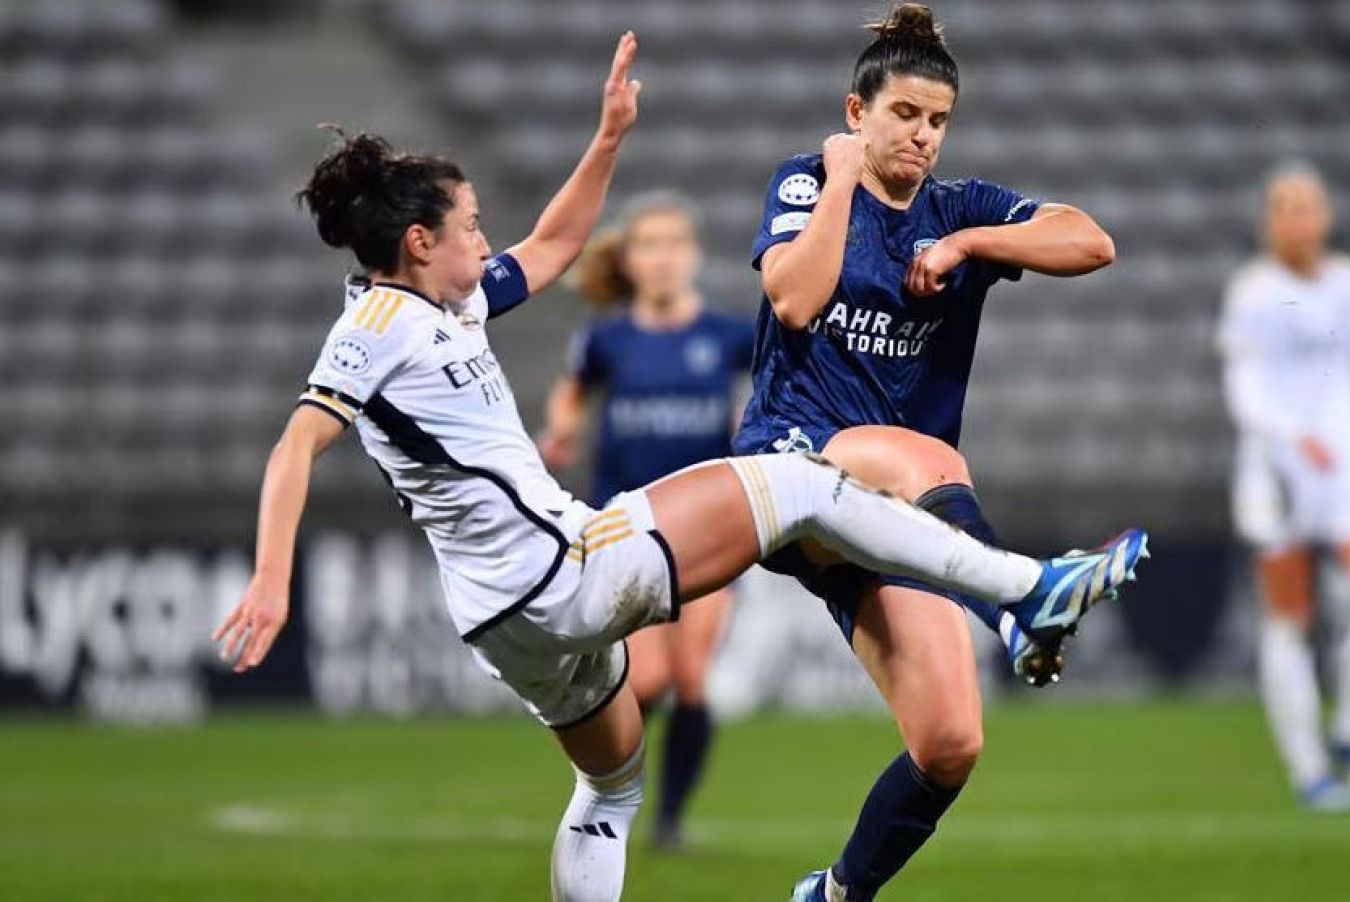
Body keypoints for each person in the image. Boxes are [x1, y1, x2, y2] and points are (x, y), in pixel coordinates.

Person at [210, 34, 1146, 902]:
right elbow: (299, 439)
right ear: (421, 243)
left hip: (500, 622)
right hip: (564, 563)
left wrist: (608, 139)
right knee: (804, 487)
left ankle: (848, 865)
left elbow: (552, 246)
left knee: (611, 789)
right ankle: (1028, 588)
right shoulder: (375, 326)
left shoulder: (443, 306)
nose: (486, 240)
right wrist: (269, 578)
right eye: (470, 225)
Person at [726, 6, 1144, 900]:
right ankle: (1021, 603)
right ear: (856, 112)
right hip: (795, 464)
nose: (921, 135)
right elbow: (795, 304)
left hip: (893, 517)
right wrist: (840, 183)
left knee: (951, 743)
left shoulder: (959, 210)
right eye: (904, 115)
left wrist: (966, 243)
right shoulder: (804, 182)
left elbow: (1092, 241)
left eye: (937, 121)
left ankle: (835, 893)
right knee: (932, 462)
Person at [540, 191, 754, 850]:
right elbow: (574, 388)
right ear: (629, 259)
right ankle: (616, 789)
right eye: (649, 244)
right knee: (651, 679)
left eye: (673, 244)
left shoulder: (727, 336)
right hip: (626, 529)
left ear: (692, 254)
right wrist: (562, 429)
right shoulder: (608, 338)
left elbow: (768, 395)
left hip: (710, 529)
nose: (662, 258)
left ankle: (668, 822)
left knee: (690, 678)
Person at [1218, 162, 1350, 812]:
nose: (1298, 219)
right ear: (1267, 221)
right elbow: (1242, 390)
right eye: (1285, 207)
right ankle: (1311, 772)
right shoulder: (1252, 292)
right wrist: (1290, 432)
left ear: (1326, 217)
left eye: (1308, 207)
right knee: (1289, 623)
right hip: (1275, 477)